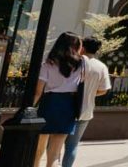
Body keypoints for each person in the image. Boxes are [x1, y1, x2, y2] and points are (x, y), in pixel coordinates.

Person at [62, 36, 113, 167]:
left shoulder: (74, 61)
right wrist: (89, 93)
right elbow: (104, 90)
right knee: (72, 146)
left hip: (66, 107)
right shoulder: (101, 67)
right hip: (85, 111)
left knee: (54, 142)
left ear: (82, 48)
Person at [34, 32, 83, 167]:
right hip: (68, 105)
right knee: (55, 152)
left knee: (38, 149)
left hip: (49, 103)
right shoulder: (80, 64)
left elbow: (38, 91)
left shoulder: (49, 62)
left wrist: (30, 107)